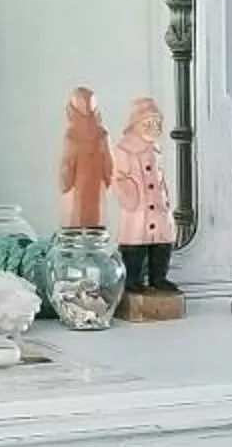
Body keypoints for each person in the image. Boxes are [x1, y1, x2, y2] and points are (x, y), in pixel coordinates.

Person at [109, 95, 177, 297]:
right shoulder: (124, 150)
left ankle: (159, 278)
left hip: (158, 209)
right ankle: (132, 281)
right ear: (135, 125)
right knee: (135, 246)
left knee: (162, 243)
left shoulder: (155, 148)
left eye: (156, 123)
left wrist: (166, 202)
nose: (153, 127)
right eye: (148, 123)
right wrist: (129, 193)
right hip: (138, 210)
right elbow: (116, 176)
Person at [57, 86, 112, 232]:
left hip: (77, 191)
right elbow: (109, 166)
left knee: (75, 226)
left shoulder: (71, 134)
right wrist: (109, 180)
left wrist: (64, 184)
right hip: (96, 190)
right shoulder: (101, 133)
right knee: (95, 225)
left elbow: (67, 166)